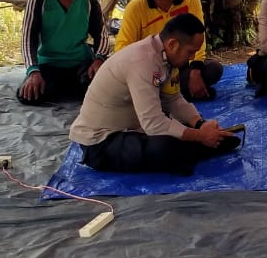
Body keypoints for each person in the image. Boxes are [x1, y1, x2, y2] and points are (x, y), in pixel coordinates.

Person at [70, 13, 240, 175]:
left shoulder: (166, 57)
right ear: (173, 44)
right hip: (101, 143)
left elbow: (174, 99)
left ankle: (203, 145)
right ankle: (201, 147)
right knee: (165, 147)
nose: (193, 57)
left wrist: (200, 124)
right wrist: (199, 136)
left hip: (133, 127)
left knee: (181, 131)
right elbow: (153, 123)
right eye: (190, 52)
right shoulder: (142, 62)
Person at [112, 0, 224, 100]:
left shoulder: (191, 0)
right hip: (150, 70)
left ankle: (164, 95)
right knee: (144, 82)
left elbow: (198, 40)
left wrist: (195, 71)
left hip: (181, 66)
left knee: (214, 69)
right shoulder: (136, 8)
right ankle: (177, 94)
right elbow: (122, 48)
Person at [18, 0, 112, 105]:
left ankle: (67, 89)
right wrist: (33, 71)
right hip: (48, 63)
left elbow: (102, 35)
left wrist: (99, 59)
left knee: (106, 92)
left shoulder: (89, 0)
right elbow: (28, 38)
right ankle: (63, 88)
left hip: (80, 64)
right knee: (30, 95)